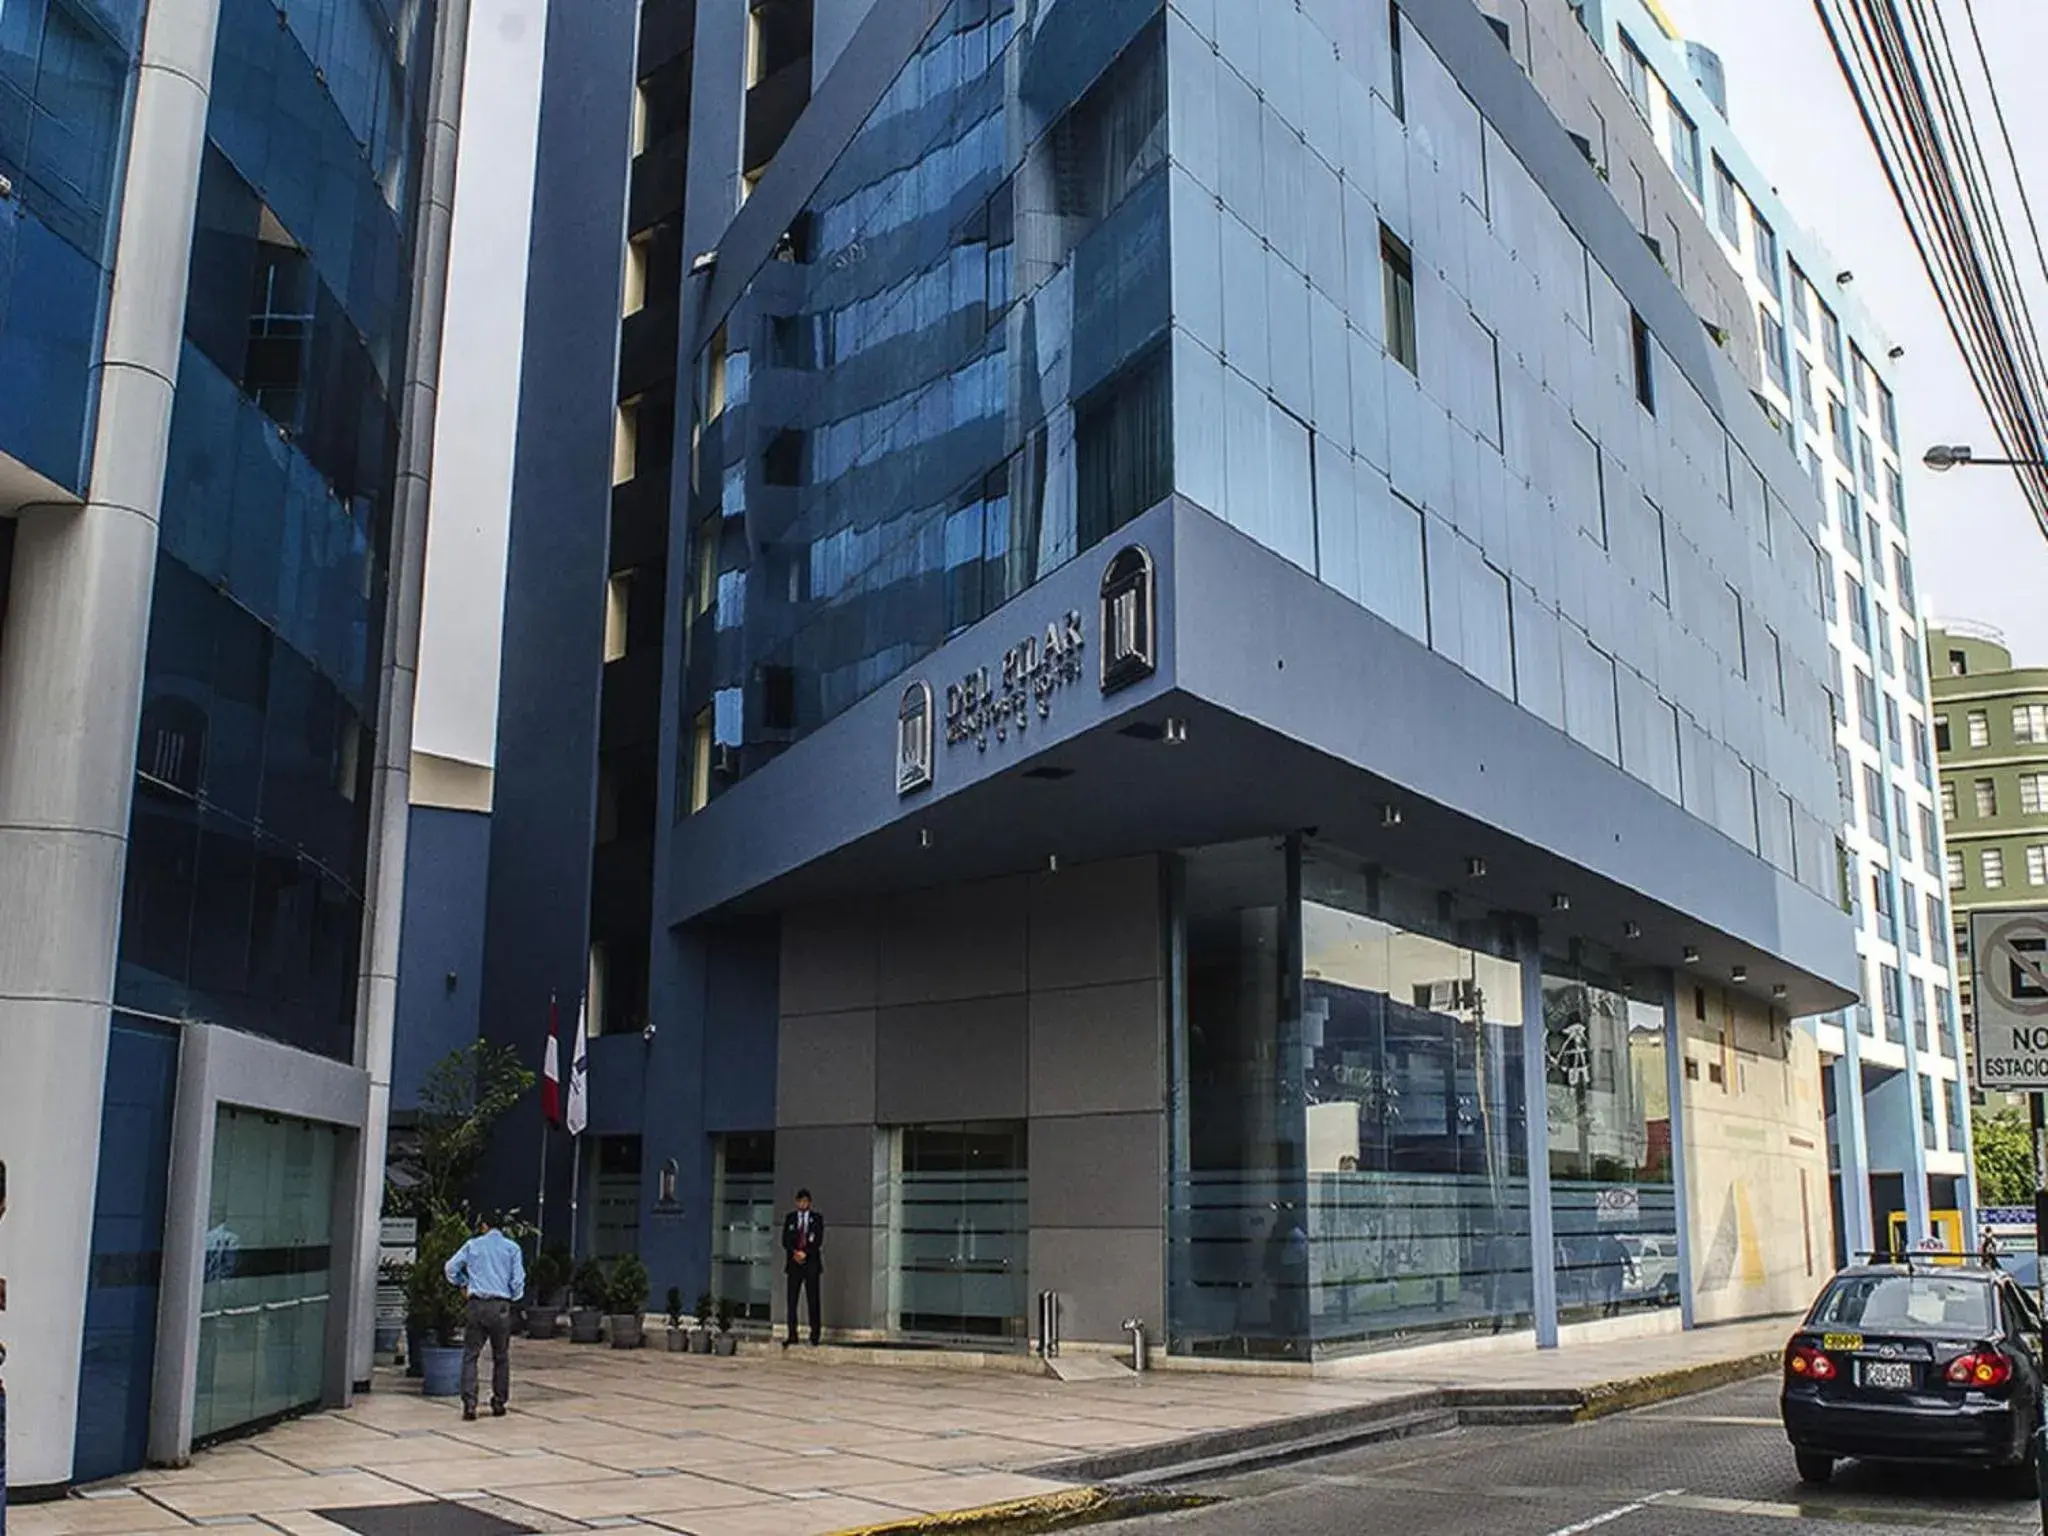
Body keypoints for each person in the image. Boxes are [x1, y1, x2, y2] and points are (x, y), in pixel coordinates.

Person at [444, 1214, 526, 1421]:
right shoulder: (512, 1248)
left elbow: (450, 1268)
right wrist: (512, 1297)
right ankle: (499, 1402)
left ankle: (469, 1404)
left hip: (476, 1304)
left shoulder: (472, 1245)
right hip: (500, 1305)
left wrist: (464, 1283)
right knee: (501, 1356)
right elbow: (518, 1281)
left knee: (471, 1355)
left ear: (484, 1226)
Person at [781, 1188, 825, 1347]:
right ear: (796, 1202)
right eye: (800, 1201)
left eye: (805, 1201)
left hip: (811, 1264)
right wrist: (795, 1252)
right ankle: (792, 1334)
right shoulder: (790, 1218)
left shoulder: (817, 1219)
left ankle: (815, 1335)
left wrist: (805, 1253)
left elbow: (818, 1240)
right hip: (794, 1265)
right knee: (792, 1301)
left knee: (813, 1300)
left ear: (809, 1203)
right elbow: (785, 1240)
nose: (802, 1204)